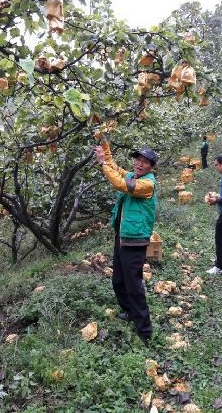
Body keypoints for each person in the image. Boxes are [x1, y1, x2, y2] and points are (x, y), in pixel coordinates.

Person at [95, 137, 157, 346]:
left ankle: (145, 331)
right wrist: (104, 143)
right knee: (118, 281)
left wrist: (103, 163)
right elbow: (116, 168)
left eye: (145, 162)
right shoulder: (132, 174)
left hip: (135, 240)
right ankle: (129, 312)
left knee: (134, 285)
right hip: (121, 237)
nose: (139, 164)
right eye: (138, 160)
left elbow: (120, 183)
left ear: (150, 167)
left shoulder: (146, 184)